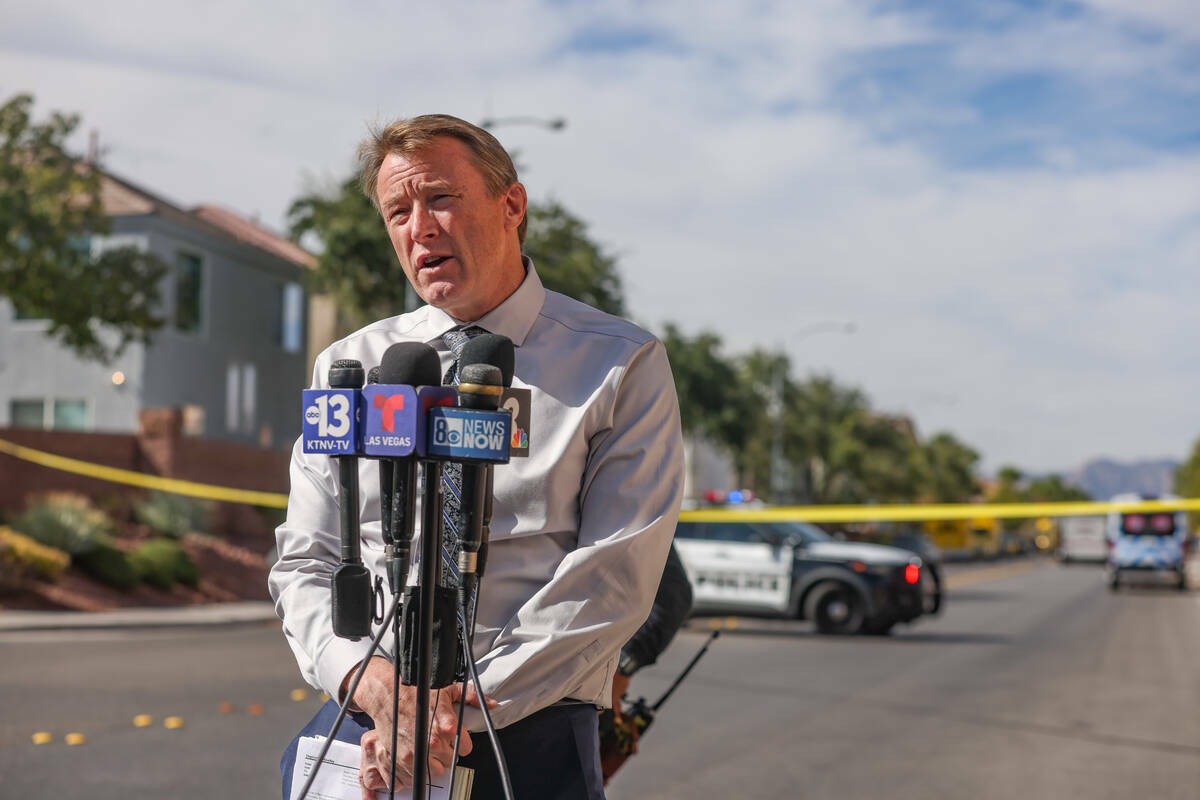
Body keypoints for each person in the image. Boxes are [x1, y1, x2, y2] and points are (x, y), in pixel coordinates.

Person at [271, 114, 684, 800]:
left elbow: (615, 577)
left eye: (439, 198)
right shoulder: (350, 366)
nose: (419, 228)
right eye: (397, 210)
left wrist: (451, 711)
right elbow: (304, 561)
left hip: (526, 726)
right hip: (367, 725)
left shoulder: (620, 364)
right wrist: (368, 683)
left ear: (511, 205)